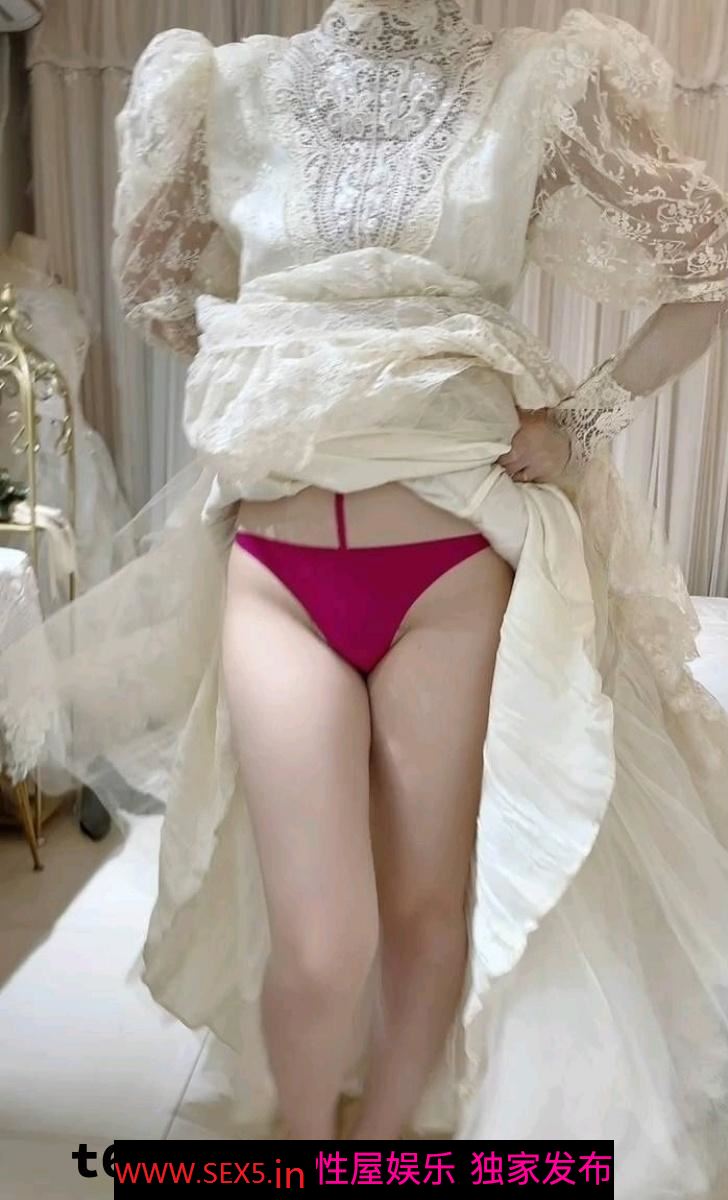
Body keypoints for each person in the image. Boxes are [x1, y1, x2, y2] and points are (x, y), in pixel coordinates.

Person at [1, 1, 728, 1189]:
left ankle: (376, 1155)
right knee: (321, 943)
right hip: (277, 570)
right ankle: (303, 1150)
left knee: (426, 912)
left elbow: (702, 260)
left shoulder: (536, 80)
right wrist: (292, 375)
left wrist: (578, 421)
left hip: (451, 564)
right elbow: (159, 286)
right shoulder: (228, 86)